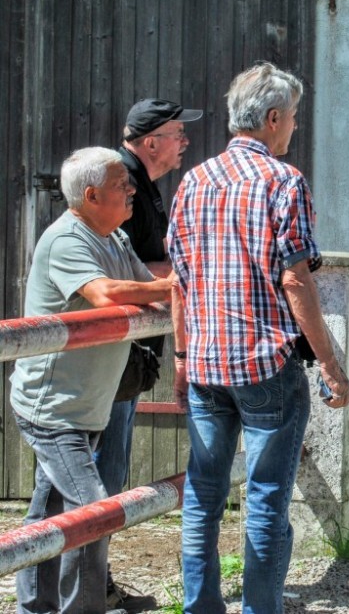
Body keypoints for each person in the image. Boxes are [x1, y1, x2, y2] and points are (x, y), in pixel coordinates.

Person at [167, 62, 349, 614]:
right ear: (272, 119)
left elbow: (180, 283)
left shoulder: (192, 182)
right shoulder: (283, 181)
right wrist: (331, 365)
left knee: (202, 497)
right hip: (265, 365)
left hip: (204, 365)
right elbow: (295, 278)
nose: (293, 127)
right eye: (293, 118)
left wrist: (181, 359)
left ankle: (201, 608)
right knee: (267, 500)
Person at [8, 147, 173, 614]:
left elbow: (146, 292)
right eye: (124, 186)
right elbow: (104, 293)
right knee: (92, 511)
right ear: (91, 194)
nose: (133, 192)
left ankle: (36, 608)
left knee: (50, 514)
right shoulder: (68, 240)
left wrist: (175, 290)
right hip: (54, 408)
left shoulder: (113, 238)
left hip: (84, 404)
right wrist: (172, 287)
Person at [96, 97, 202, 612]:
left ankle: (92, 585)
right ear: (150, 140)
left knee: (103, 472)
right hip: (111, 356)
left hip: (127, 356)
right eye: (178, 133)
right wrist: (191, 277)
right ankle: (87, 589)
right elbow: (135, 272)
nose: (185, 142)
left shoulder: (144, 185)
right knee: (101, 473)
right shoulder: (127, 183)